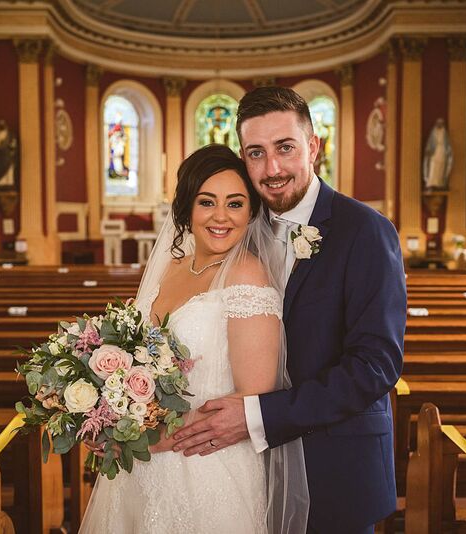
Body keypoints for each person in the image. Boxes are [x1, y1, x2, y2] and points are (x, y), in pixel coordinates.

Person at [172, 86, 407, 534]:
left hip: (335, 464)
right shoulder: (235, 224)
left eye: (285, 148)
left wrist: (258, 416)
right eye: (255, 153)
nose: (271, 168)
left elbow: (376, 366)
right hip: (239, 469)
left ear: (313, 146)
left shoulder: (366, 231)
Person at [80, 144, 309, 533]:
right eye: (207, 202)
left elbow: (251, 397)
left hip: (205, 466)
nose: (221, 217)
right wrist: (106, 421)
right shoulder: (169, 266)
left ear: (252, 212)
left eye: (235, 204)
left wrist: (147, 439)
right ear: (186, 208)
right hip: (139, 466)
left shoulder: (247, 277)